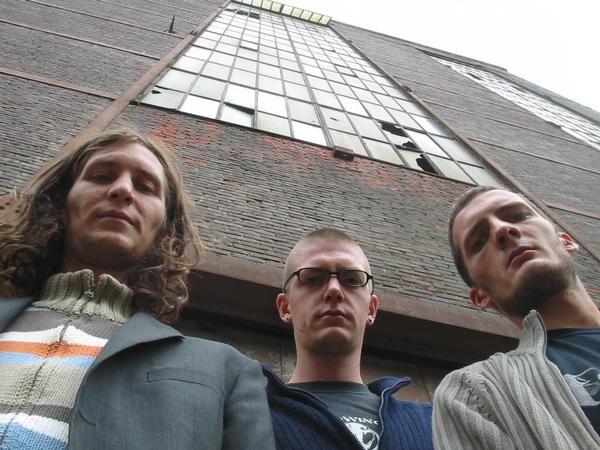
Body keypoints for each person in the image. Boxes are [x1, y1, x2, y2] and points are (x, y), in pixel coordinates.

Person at [0, 129, 275, 450]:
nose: (122, 190)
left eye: (145, 187)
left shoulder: (228, 372)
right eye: (101, 176)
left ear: (165, 232)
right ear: (61, 205)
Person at [433, 186, 600, 449]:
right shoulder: (473, 394)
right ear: (480, 296)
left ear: (566, 242)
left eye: (518, 216)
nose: (502, 230)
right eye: (479, 242)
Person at [262, 228, 433, 450]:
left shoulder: (433, 425)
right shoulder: (247, 419)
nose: (334, 289)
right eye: (313, 278)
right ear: (285, 307)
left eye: (351, 279)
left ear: (371, 309)